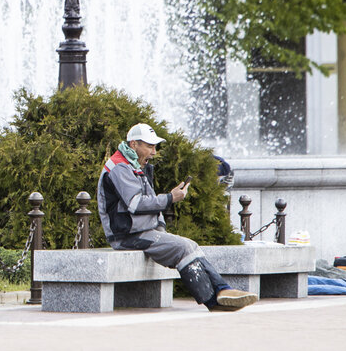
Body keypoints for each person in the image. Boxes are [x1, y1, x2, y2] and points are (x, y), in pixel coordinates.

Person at [97, 123, 257, 311]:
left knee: (191, 245)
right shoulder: (120, 167)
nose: (154, 152)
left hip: (141, 231)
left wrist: (161, 227)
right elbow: (135, 203)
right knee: (183, 247)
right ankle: (215, 300)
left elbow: (147, 201)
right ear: (133, 144)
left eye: (155, 146)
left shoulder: (135, 164)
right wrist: (170, 198)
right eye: (149, 146)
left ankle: (222, 291)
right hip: (127, 235)